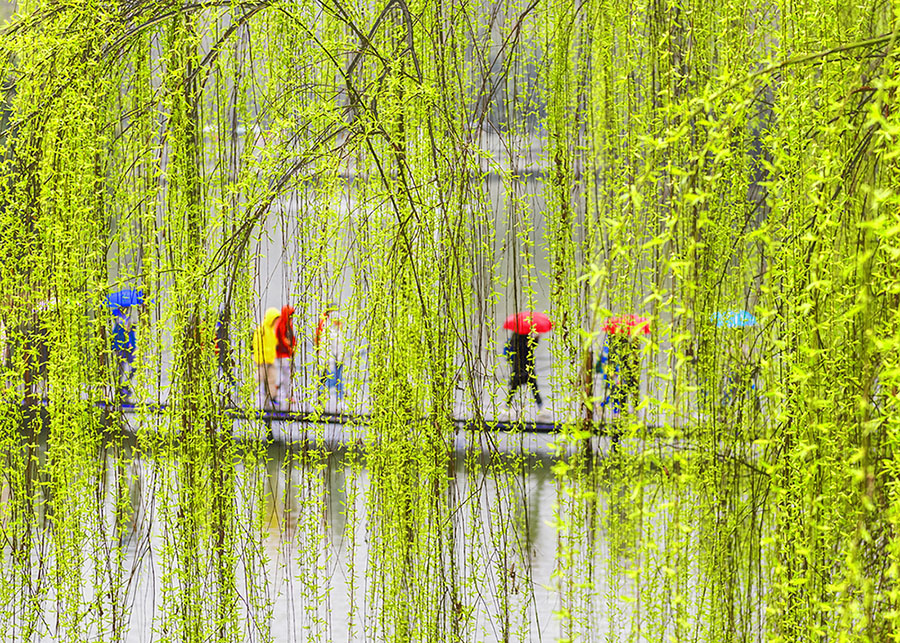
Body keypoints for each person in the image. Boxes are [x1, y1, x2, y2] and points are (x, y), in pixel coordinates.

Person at [596, 333, 640, 447]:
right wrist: (613, 375)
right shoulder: (612, 345)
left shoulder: (613, 343)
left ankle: (612, 410)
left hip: (617, 373)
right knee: (616, 392)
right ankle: (610, 409)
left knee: (617, 392)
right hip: (614, 374)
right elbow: (608, 359)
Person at [503, 329, 543, 412]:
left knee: (517, 388)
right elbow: (527, 349)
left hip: (519, 367)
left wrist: (535, 340)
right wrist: (535, 340)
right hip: (523, 367)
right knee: (531, 387)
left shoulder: (515, 337)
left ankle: (507, 406)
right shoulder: (520, 338)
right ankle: (540, 406)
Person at [253, 308, 281, 409]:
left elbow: (273, 343)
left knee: (271, 379)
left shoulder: (271, 330)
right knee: (258, 378)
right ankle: (248, 393)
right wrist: (259, 357)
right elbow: (257, 345)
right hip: (262, 360)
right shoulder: (261, 330)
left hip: (270, 360)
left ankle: (272, 398)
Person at [314, 306, 344, 400]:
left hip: (336, 357)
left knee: (337, 377)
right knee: (326, 376)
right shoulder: (326, 325)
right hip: (328, 357)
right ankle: (323, 393)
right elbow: (328, 343)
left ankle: (339, 395)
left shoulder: (336, 329)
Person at [274, 305, 297, 407]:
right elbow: (283, 339)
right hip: (282, 355)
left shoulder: (289, 324)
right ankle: (285, 394)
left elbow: (292, 338)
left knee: (286, 375)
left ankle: (280, 390)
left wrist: (294, 347)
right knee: (286, 375)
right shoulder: (281, 324)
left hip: (287, 354)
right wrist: (289, 347)